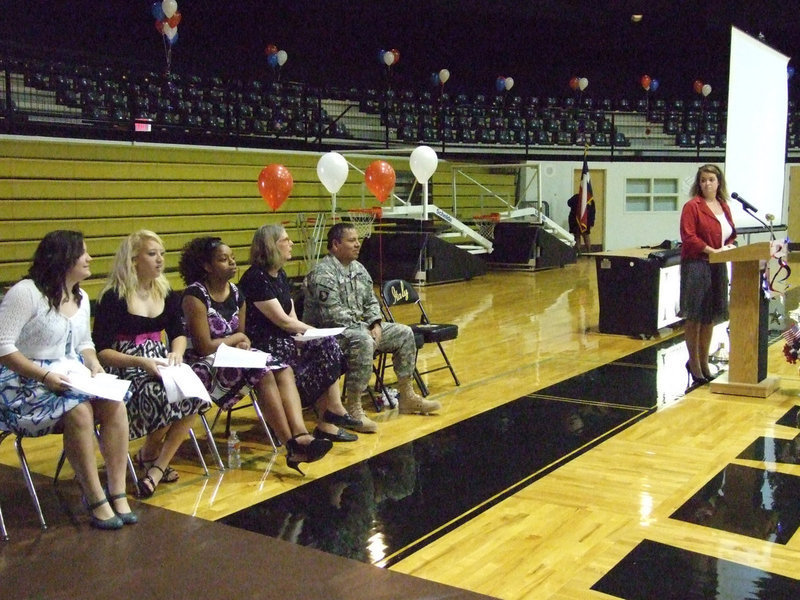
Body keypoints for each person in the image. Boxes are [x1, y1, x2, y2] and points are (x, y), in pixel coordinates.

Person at [0, 231, 135, 530]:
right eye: (83, 253)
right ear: (63, 258)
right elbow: (3, 346)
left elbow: (84, 342)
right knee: (79, 410)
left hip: (67, 377)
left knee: (115, 404)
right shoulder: (26, 292)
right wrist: (45, 375)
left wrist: (95, 365)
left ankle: (117, 491)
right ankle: (95, 497)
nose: (90, 258)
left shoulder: (81, 296)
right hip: (22, 383)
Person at [178, 236, 333, 473]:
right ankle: (290, 444)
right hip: (202, 364)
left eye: (232, 258)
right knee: (264, 373)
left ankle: (301, 435)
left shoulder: (238, 294)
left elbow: (242, 335)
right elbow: (203, 346)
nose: (231, 262)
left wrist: (242, 343)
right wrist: (237, 341)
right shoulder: (194, 296)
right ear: (206, 267)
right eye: (223, 259)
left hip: (232, 357)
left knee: (283, 367)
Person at [93, 230, 210, 498]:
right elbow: (103, 351)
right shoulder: (113, 296)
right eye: (152, 254)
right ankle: (149, 457)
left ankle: (155, 465)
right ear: (133, 260)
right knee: (162, 396)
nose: (159, 260)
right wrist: (141, 362)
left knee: (194, 394)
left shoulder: (166, 292)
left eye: (162, 254)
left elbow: (178, 333)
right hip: (125, 365)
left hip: (159, 361)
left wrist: (177, 353)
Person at [304, 223, 441, 430]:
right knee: (363, 340)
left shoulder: (358, 268)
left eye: (357, 240)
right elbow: (332, 315)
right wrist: (366, 328)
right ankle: (353, 408)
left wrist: (375, 322)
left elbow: (371, 301)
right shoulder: (323, 273)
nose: (358, 244)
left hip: (362, 328)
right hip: (330, 335)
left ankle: (407, 396)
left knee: (404, 333)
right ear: (335, 244)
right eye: (352, 240)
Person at [238, 224, 362, 440]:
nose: (291, 243)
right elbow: (284, 322)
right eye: (286, 240)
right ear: (271, 246)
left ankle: (330, 416)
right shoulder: (255, 278)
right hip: (265, 345)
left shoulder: (280, 274)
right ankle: (328, 416)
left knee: (327, 345)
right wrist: (314, 332)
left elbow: (292, 314)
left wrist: (309, 336)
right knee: (324, 342)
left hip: (285, 340)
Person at [679, 164, 736, 390]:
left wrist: (730, 247)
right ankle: (693, 363)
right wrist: (712, 251)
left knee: (710, 316)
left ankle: (704, 361)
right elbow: (689, 237)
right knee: (695, 315)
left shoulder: (723, 206)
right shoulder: (692, 206)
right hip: (697, 264)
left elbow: (730, 234)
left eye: (711, 179)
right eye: (703, 180)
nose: (707, 184)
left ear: (718, 182)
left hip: (717, 264)